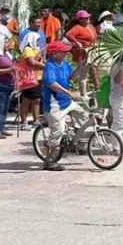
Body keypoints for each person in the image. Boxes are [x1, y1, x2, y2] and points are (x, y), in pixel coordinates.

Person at [41, 41, 87, 171]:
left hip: (66, 102)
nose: (66, 53)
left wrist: (79, 67)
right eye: (64, 51)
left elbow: (71, 76)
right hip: (54, 106)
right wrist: (69, 93)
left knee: (83, 112)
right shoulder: (49, 66)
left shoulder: (64, 63)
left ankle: (75, 140)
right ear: (55, 54)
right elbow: (52, 84)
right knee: (57, 132)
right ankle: (49, 160)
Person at [65, 10, 99, 96]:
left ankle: (72, 79)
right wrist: (76, 42)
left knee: (84, 70)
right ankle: (82, 93)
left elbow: (95, 36)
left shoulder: (90, 26)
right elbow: (68, 34)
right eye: (86, 18)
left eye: (88, 17)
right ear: (80, 19)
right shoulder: (77, 27)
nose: (88, 19)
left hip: (90, 51)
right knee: (83, 71)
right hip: (82, 52)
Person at [17, 32, 45, 131]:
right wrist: (44, 65)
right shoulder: (27, 50)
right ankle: (24, 122)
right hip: (29, 78)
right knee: (26, 100)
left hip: (37, 77)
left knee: (36, 99)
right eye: (37, 40)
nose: (38, 42)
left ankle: (36, 119)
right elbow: (32, 63)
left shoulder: (36, 49)